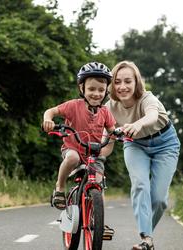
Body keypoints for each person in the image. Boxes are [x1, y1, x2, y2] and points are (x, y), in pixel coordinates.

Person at [102, 60, 180, 250]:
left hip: (165, 144)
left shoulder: (148, 99)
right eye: (118, 82)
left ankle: (148, 237)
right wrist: (96, 158)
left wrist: (137, 124)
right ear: (112, 85)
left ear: (136, 82)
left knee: (159, 200)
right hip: (134, 145)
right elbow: (108, 140)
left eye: (128, 81)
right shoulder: (109, 107)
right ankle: (146, 239)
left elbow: (152, 116)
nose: (122, 87)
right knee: (140, 185)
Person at [42, 61, 116, 238]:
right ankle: (59, 187)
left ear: (106, 91)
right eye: (91, 89)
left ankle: (98, 221)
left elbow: (113, 130)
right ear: (82, 88)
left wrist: (121, 133)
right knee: (73, 158)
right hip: (73, 148)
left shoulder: (105, 112)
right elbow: (51, 111)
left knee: (98, 183)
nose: (96, 93)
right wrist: (48, 120)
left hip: (93, 154)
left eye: (100, 89)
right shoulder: (73, 105)